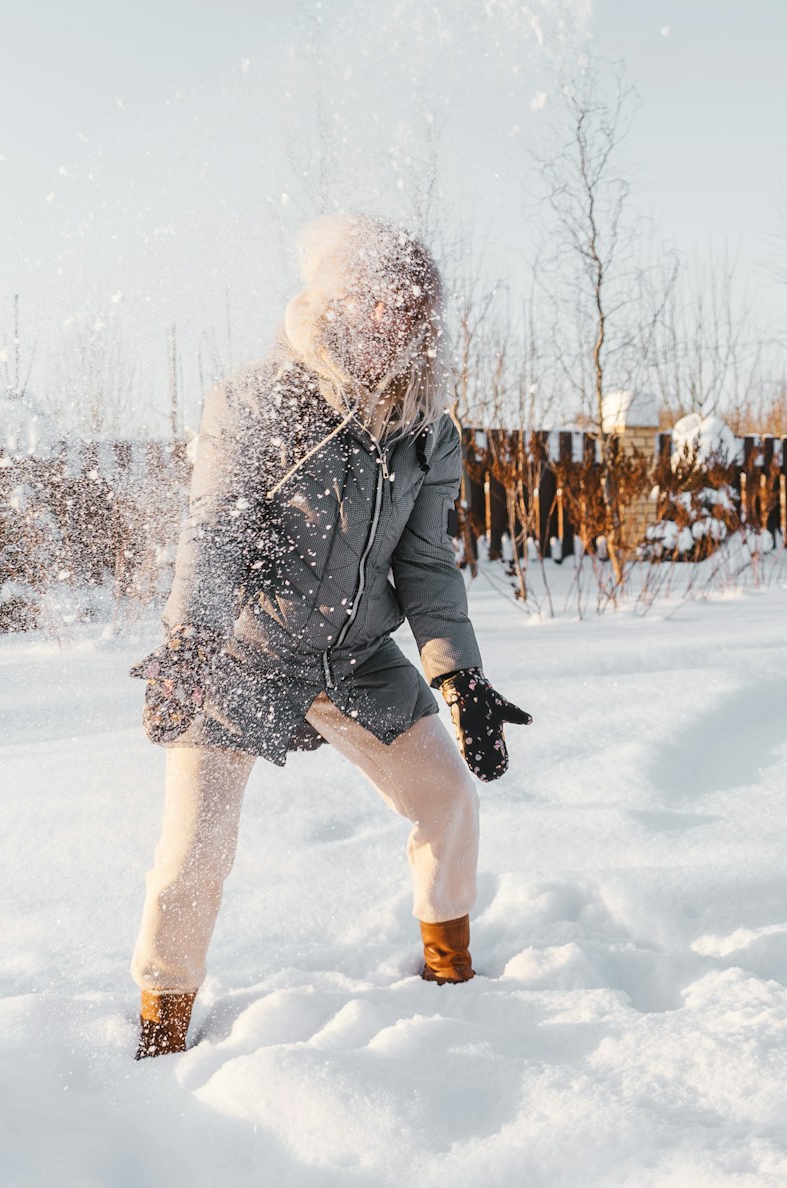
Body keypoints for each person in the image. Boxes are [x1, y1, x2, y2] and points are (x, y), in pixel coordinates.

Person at [126, 212, 530, 1059]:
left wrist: (460, 678)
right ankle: (162, 1022)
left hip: (356, 657)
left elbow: (425, 566)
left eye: (420, 309)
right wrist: (193, 640)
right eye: (389, 303)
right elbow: (216, 531)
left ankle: (449, 971)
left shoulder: (428, 430)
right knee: (196, 843)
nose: (407, 323)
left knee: (448, 800)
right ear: (341, 302)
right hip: (242, 651)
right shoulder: (256, 401)